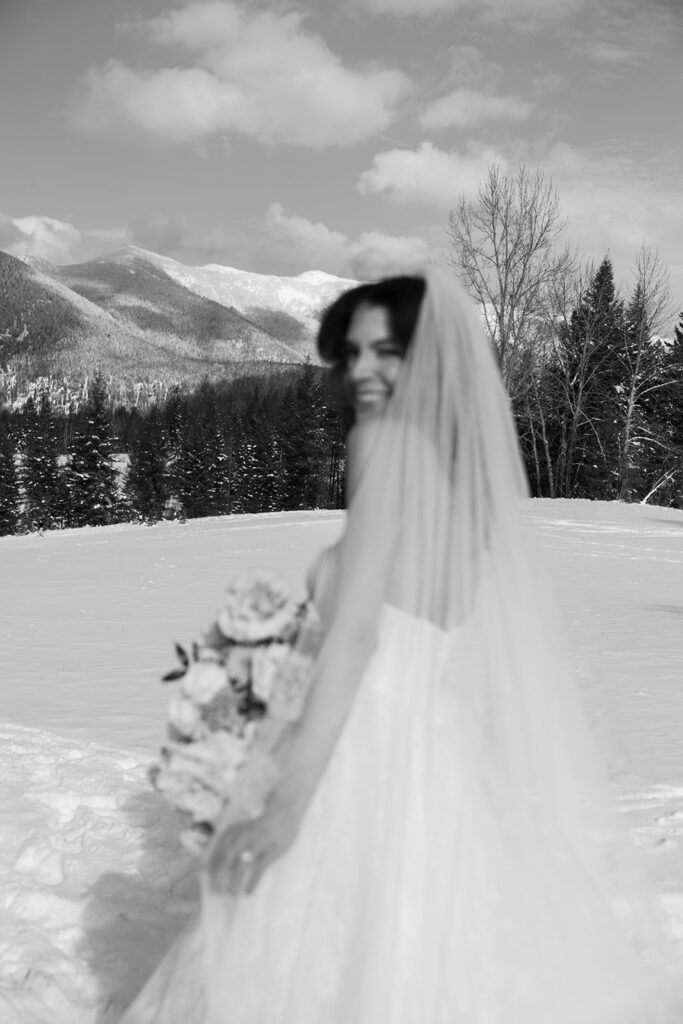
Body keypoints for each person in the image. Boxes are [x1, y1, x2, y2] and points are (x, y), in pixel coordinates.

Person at [120, 268, 681, 1023]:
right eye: (351, 353)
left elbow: (357, 634)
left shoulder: (382, 442)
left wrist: (287, 803)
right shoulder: (462, 478)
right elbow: (432, 622)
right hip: (437, 742)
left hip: (363, 737)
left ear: (426, 358)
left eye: (386, 352)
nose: (362, 369)